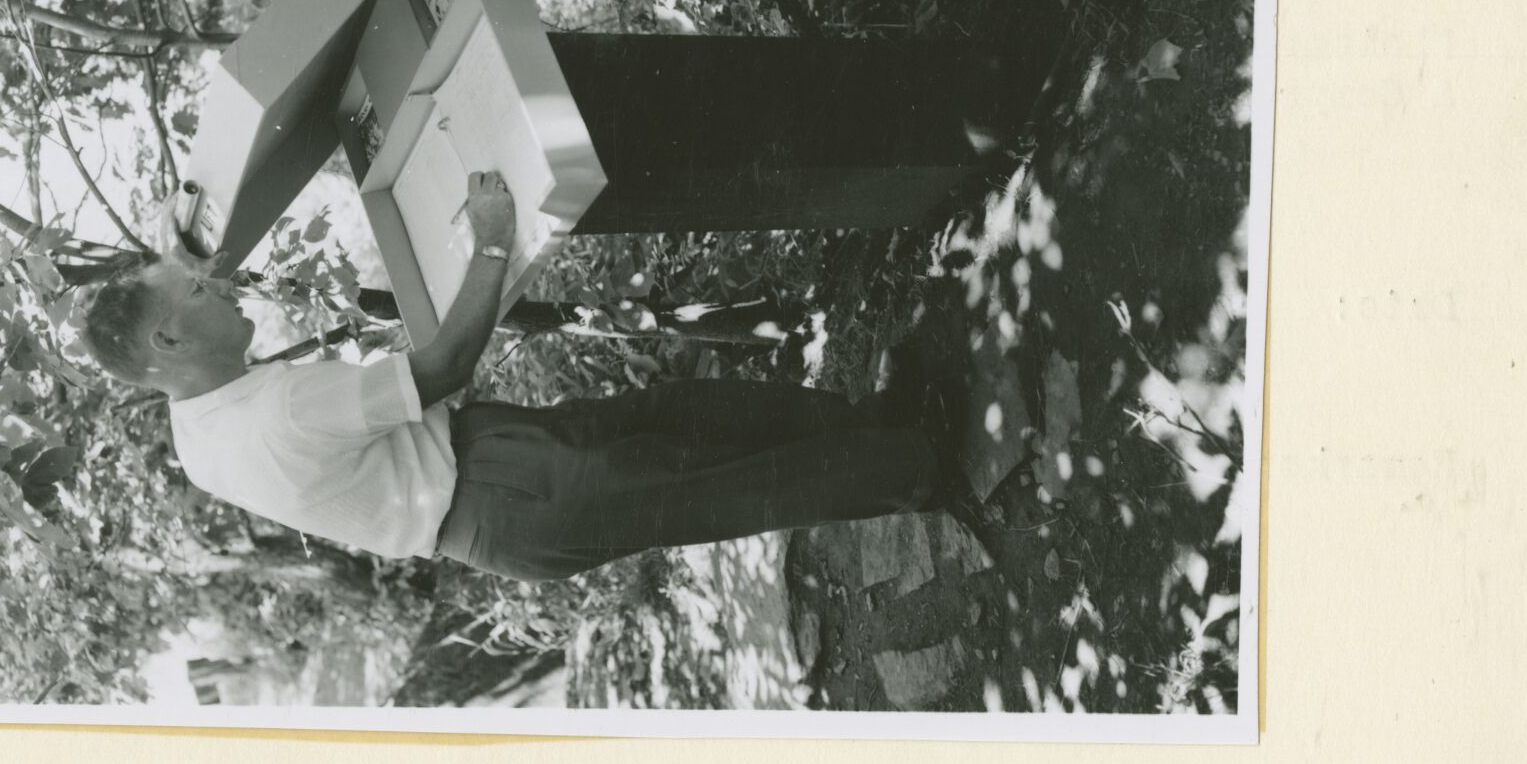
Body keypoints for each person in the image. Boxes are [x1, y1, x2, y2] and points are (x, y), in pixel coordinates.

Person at [78, 171, 967, 583]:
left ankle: (878, 427)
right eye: (200, 288)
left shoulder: (196, 428)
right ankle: (920, 465)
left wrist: (174, 248)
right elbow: (445, 365)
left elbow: (183, 324)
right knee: (723, 484)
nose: (218, 286)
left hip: (491, 469)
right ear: (166, 338)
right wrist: (494, 237)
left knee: (693, 416)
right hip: (502, 498)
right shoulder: (280, 409)